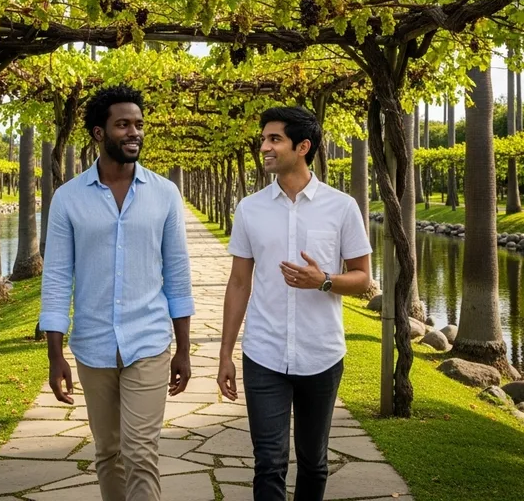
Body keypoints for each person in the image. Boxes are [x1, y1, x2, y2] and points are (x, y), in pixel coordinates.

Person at [40, 84, 195, 501]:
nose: (134, 133)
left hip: (149, 342)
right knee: (109, 453)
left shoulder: (165, 194)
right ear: (98, 133)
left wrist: (183, 348)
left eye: (139, 125)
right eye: (123, 124)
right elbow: (56, 278)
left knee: (141, 452)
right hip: (92, 347)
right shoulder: (68, 199)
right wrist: (55, 355)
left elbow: (178, 275)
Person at [217, 106, 372, 501]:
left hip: (321, 353)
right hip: (263, 353)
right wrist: (224, 354)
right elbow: (238, 283)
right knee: (268, 462)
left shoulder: (342, 207)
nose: (264, 147)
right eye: (264, 138)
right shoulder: (250, 208)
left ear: (302, 147)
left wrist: (323, 281)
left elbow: (363, 279)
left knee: (313, 461)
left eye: (274, 139)